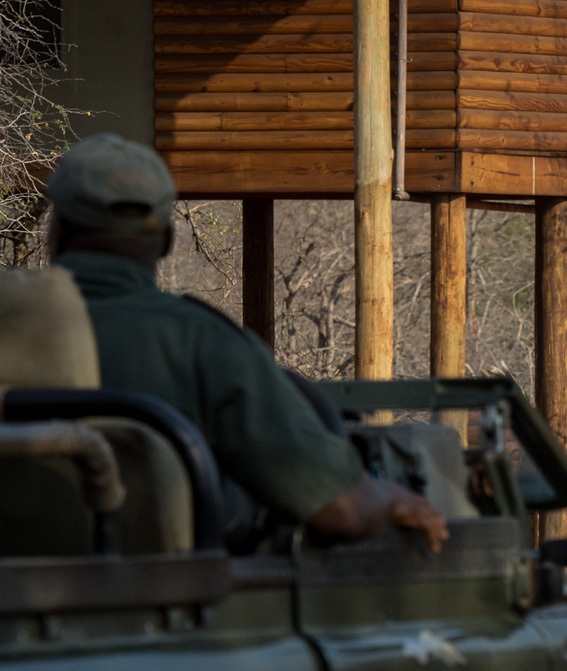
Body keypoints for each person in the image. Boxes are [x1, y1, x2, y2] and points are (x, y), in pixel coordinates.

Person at [47, 133, 448, 552]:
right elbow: (342, 511)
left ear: (57, 231)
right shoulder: (201, 342)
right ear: (165, 241)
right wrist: (391, 498)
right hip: (162, 600)